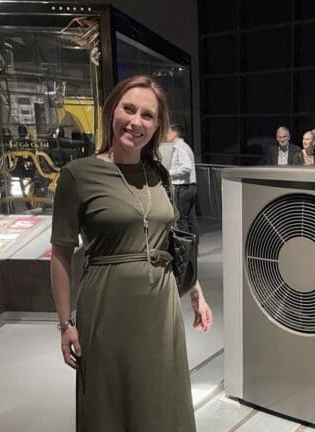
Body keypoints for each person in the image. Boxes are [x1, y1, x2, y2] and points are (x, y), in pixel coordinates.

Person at [50, 75, 212, 432]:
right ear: (112, 111)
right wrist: (65, 324)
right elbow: (60, 254)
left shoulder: (159, 174)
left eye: (148, 116)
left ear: (157, 126)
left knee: (162, 397)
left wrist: (197, 294)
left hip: (161, 307)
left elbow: (170, 241)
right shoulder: (78, 175)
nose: (136, 122)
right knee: (111, 400)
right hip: (107, 307)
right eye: (129, 109)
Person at [168, 123, 198, 236]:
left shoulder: (180, 148)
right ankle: (193, 250)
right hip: (189, 187)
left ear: (175, 133)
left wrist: (169, 173)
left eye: (168, 132)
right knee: (191, 219)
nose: (166, 135)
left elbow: (186, 167)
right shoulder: (185, 147)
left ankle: (185, 251)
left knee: (181, 220)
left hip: (183, 188)